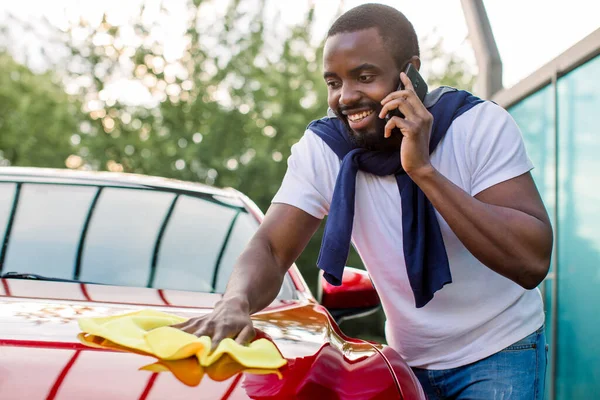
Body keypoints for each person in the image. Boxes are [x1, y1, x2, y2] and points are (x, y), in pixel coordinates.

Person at [174, 4, 553, 399]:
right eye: (333, 82)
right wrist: (235, 301)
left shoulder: (477, 125)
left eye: (365, 77)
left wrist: (422, 170)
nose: (346, 97)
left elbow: (530, 263)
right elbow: (270, 248)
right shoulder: (325, 149)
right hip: (406, 360)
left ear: (410, 72)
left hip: (501, 349)